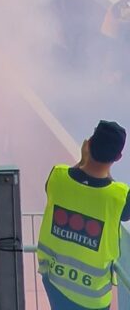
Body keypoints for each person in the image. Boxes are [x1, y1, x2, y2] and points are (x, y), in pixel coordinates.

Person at [36, 120, 128, 310]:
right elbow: (108, 190)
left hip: (55, 280)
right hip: (93, 297)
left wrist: (83, 161)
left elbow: (72, 178)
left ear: (88, 145)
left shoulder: (57, 176)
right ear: (118, 157)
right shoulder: (120, 197)